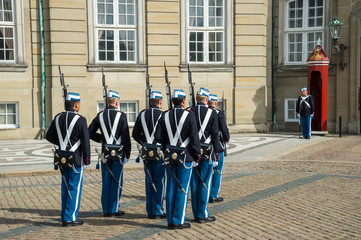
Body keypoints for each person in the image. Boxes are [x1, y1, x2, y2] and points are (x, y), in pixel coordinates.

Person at [155, 89, 201, 230]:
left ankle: (170, 220)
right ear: (183, 101)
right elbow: (194, 138)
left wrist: (165, 150)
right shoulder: (189, 115)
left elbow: (158, 137)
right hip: (185, 157)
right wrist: (196, 155)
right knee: (182, 188)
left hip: (170, 156)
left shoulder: (164, 115)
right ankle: (178, 220)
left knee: (170, 188)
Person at [45, 92, 91, 227]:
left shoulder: (58, 117)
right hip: (76, 158)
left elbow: (49, 136)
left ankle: (64, 215)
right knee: (74, 188)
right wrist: (87, 159)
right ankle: (70, 217)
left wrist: (61, 143)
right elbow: (85, 142)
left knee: (65, 187)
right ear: (76, 105)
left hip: (62, 158)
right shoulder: (81, 120)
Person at [88, 90, 131, 217]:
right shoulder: (122, 116)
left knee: (106, 181)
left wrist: (101, 138)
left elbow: (89, 132)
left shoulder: (100, 115)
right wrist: (127, 153)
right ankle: (113, 209)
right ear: (116, 102)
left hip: (105, 152)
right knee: (116, 181)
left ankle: (106, 209)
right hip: (118, 153)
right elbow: (125, 137)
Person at [132, 91, 166, 219]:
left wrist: (145, 144)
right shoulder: (163, 115)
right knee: (159, 181)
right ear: (160, 102)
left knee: (149, 181)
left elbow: (135, 134)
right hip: (159, 152)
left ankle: (150, 210)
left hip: (147, 152)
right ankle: (157, 210)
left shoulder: (142, 115)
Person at [189, 87, 221, 223]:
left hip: (192, 151)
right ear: (207, 99)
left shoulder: (189, 111)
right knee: (205, 182)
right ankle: (202, 213)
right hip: (207, 151)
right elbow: (215, 135)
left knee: (194, 183)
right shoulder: (212, 113)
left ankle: (196, 211)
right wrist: (217, 152)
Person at [207, 94, 230, 203]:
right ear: (215, 103)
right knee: (217, 171)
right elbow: (224, 129)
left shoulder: (203, 112)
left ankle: (205, 193)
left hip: (205, 147)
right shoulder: (218, 113)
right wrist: (227, 138)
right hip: (217, 147)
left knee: (205, 171)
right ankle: (213, 194)